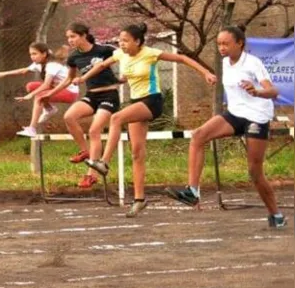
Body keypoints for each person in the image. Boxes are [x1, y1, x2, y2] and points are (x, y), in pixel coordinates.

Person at [73, 23, 218, 217]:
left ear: (138, 42)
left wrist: (205, 72)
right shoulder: (120, 55)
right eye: (119, 41)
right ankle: (140, 199)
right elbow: (101, 65)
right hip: (136, 102)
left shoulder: (150, 53)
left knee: (116, 118)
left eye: (125, 41)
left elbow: (182, 58)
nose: (121, 44)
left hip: (152, 101)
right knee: (137, 153)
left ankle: (104, 162)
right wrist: (83, 79)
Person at [166, 24, 287, 229]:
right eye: (219, 44)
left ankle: (275, 214)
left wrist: (256, 91)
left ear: (239, 43)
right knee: (198, 136)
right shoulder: (224, 62)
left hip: (257, 117)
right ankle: (192, 191)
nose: (222, 47)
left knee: (255, 172)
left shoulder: (253, 63)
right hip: (235, 114)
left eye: (226, 43)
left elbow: (273, 91)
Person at [38, 23, 121, 189]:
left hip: (109, 95)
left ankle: (91, 176)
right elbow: (68, 79)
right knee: (69, 116)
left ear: (83, 35)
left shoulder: (104, 50)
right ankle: (86, 151)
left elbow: (126, 55)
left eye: (73, 36)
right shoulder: (74, 57)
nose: (70, 40)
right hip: (92, 95)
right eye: (68, 37)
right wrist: (51, 93)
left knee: (94, 130)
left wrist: (126, 75)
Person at [0, 42, 77, 138]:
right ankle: (50, 109)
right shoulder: (39, 64)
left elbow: (46, 85)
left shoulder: (52, 65)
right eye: (31, 54)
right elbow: (23, 70)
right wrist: (3, 73)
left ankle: (32, 129)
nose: (32, 57)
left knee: (39, 96)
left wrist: (30, 95)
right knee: (31, 86)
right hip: (56, 88)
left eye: (35, 54)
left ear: (44, 54)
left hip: (70, 92)